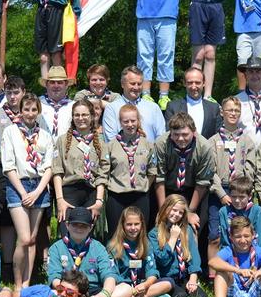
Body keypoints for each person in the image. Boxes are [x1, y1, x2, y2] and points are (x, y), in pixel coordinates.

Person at [83, 0, 206, 108]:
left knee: (166, 55)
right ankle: (146, 93)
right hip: (145, 16)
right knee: (144, 56)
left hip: (167, 17)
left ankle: (164, 96)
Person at [1, 95, 54, 289]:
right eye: (26, 109)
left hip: (39, 187)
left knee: (32, 239)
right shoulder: (10, 132)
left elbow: (49, 167)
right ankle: (17, 283)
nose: (30, 114)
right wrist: (24, 193)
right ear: (20, 111)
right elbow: (8, 166)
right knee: (23, 238)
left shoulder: (45, 135)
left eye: (34, 110)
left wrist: (38, 191)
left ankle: (26, 283)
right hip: (18, 186)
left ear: (38, 111)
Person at [153, 113, 216, 251]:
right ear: (170, 133)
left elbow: (202, 182)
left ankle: (192, 260)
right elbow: (159, 178)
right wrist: (163, 210)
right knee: (162, 224)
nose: (180, 139)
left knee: (194, 226)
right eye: (176, 135)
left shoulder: (204, 147)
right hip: (167, 190)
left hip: (193, 191)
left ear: (194, 132)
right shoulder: (161, 143)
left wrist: (189, 212)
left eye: (185, 134)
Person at [207, 98, 259, 260]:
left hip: (240, 193)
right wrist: (221, 194)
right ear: (222, 112)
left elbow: (250, 167)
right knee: (215, 235)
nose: (233, 113)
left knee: (241, 233)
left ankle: (240, 266)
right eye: (229, 110)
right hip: (218, 191)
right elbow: (210, 171)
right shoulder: (213, 141)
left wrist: (244, 191)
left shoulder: (246, 140)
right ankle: (214, 270)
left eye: (236, 111)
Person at [47, 206, 120, 297]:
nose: (79, 228)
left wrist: (104, 295)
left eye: (84, 226)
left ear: (91, 227)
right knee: (48, 293)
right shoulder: (56, 248)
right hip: (67, 291)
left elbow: (109, 275)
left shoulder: (98, 248)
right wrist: (68, 293)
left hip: (93, 291)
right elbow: (54, 278)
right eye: (75, 224)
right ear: (67, 225)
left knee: (126, 289)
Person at [52, 99, 108, 227]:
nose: (80, 118)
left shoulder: (100, 141)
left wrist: (99, 201)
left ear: (92, 116)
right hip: (69, 192)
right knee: (67, 232)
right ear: (72, 117)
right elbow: (57, 171)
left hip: (91, 193)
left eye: (85, 115)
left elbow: (103, 173)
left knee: (87, 233)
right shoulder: (62, 140)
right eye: (77, 115)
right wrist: (60, 200)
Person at [103, 104, 156, 232]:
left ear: (138, 121)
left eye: (133, 120)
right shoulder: (111, 146)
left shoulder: (148, 145)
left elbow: (152, 171)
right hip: (117, 196)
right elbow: (105, 172)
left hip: (140, 196)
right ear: (120, 122)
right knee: (116, 234)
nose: (130, 124)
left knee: (140, 234)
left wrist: (144, 187)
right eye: (125, 121)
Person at [148, 195, 207, 297]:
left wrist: (193, 279)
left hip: (183, 276)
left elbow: (194, 256)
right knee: (181, 296)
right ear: (165, 208)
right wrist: (173, 238)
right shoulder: (154, 233)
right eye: (174, 210)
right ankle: (163, 296)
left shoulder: (187, 230)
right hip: (167, 278)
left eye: (180, 212)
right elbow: (163, 260)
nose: (176, 214)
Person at [105, 206, 165, 297]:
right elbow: (112, 274)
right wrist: (130, 289)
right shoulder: (113, 246)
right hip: (122, 287)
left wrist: (145, 285)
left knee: (168, 283)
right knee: (121, 290)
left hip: (141, 286)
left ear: (142, 224)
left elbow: (152, 271)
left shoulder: (146, 244)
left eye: (136, 224)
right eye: (129, 224)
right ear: (122, 225)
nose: (133, 228)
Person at [101, 65, 166, 141]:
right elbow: (111, 140)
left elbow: (161, 138)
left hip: (150, 148)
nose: (136, 87)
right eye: (132, 83)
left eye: (139, 84)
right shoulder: (112, 109)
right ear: (122, 84)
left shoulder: (153, 108)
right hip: (120, 149)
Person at [211, 176, 261, 253]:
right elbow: (225, 241)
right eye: (233, 196)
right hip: (230, 252)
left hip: (253, 253)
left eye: (241, 197)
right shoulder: (224, 212)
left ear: (250, 196)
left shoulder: (258, 212)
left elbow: (259, 242)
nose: (237, 200)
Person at [164, 67, 220, 139]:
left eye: (197, 83)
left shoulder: (214, 108)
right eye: (190, 83)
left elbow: (218, 135)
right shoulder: (173, 107)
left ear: (203, 83)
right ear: (184, 83)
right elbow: (169, 133)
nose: (194, 87)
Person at [39, 65, 73, 140]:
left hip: (66, 145)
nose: (56, 86)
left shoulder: (74, 106)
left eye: (60, 82)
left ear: (66, 85)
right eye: (52, 82)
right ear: (46, 84)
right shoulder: (37, 104)